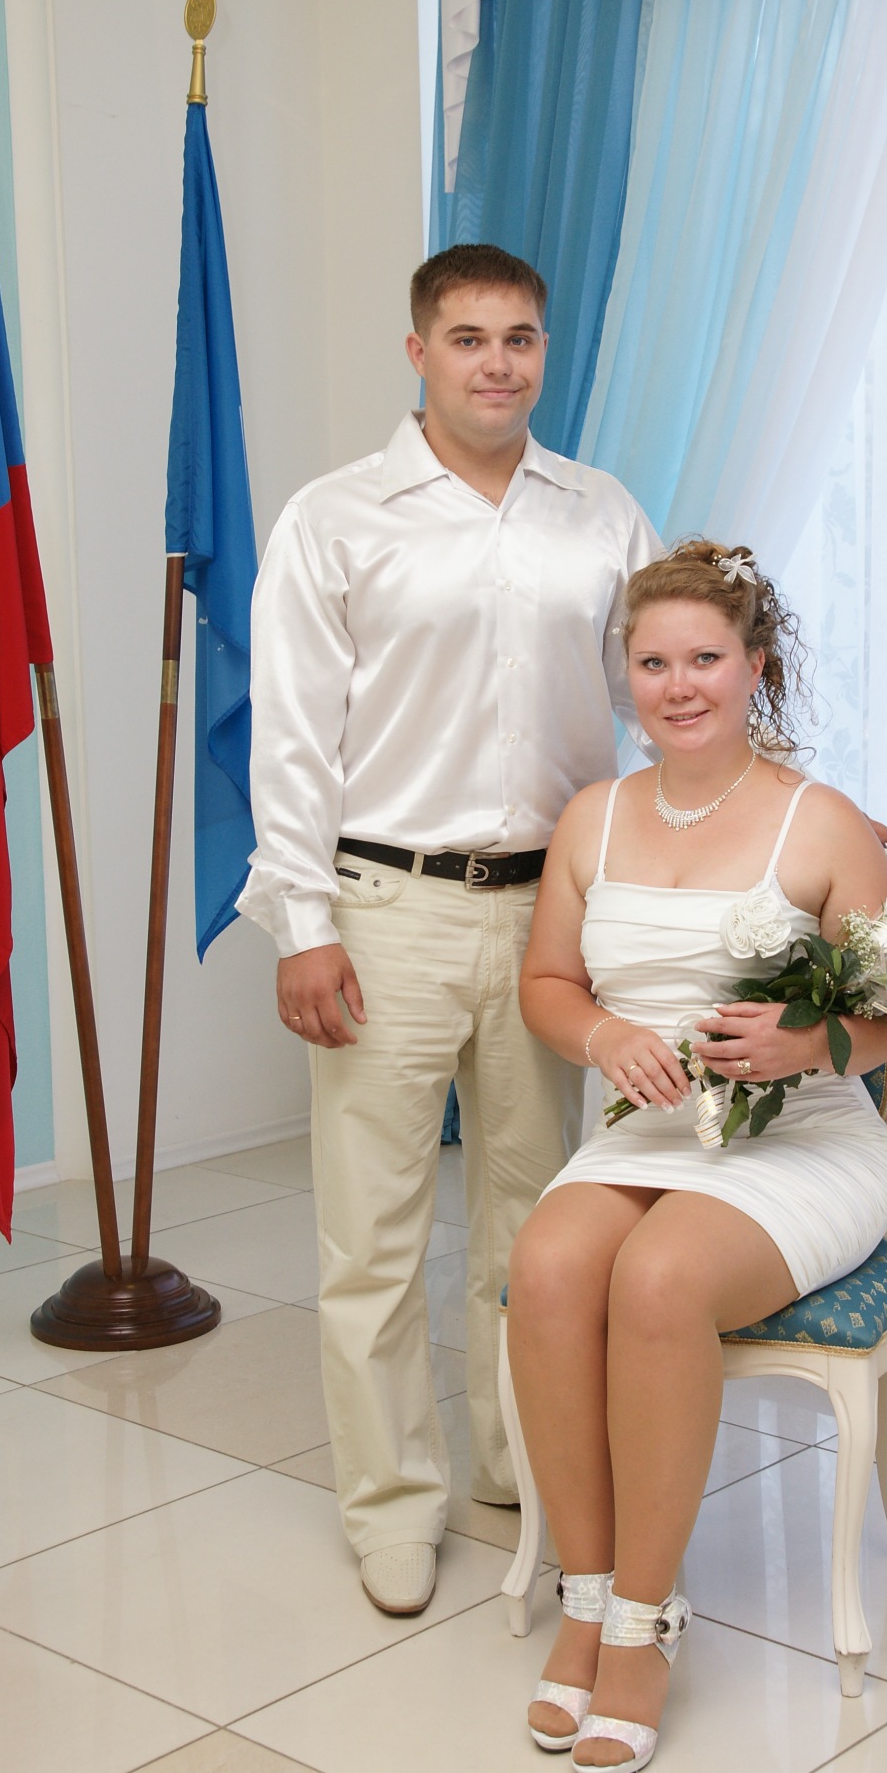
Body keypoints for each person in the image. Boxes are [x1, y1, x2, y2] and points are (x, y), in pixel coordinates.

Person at [237, 244, 663, 1615]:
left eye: (519, 337)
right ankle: (391, 1505)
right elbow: (292, 739)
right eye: (468, 337)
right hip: (383, 912)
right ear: (417, 351)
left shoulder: (599, 513)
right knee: (373, 1234)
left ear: (545, 351)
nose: (497, 362)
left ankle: (516, 1464)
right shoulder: (335, 518)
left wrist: (790, 800)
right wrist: (302, 925)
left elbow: (667, 693)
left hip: (552, 918)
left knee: (536, 1223)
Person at [507, 540, 887, 1773]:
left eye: (704, 658)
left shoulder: (819, 819)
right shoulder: (592, 816)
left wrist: (803, 1040)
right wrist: (603, 1035)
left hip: (803, 1138)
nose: (677, 685)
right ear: (625, 675)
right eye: (651, 662)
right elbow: (546, 982)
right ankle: (584, 1594)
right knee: (548, 1263)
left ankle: (641, 1624)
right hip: (656, 1126)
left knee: (660, 1277)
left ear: (754, 666)